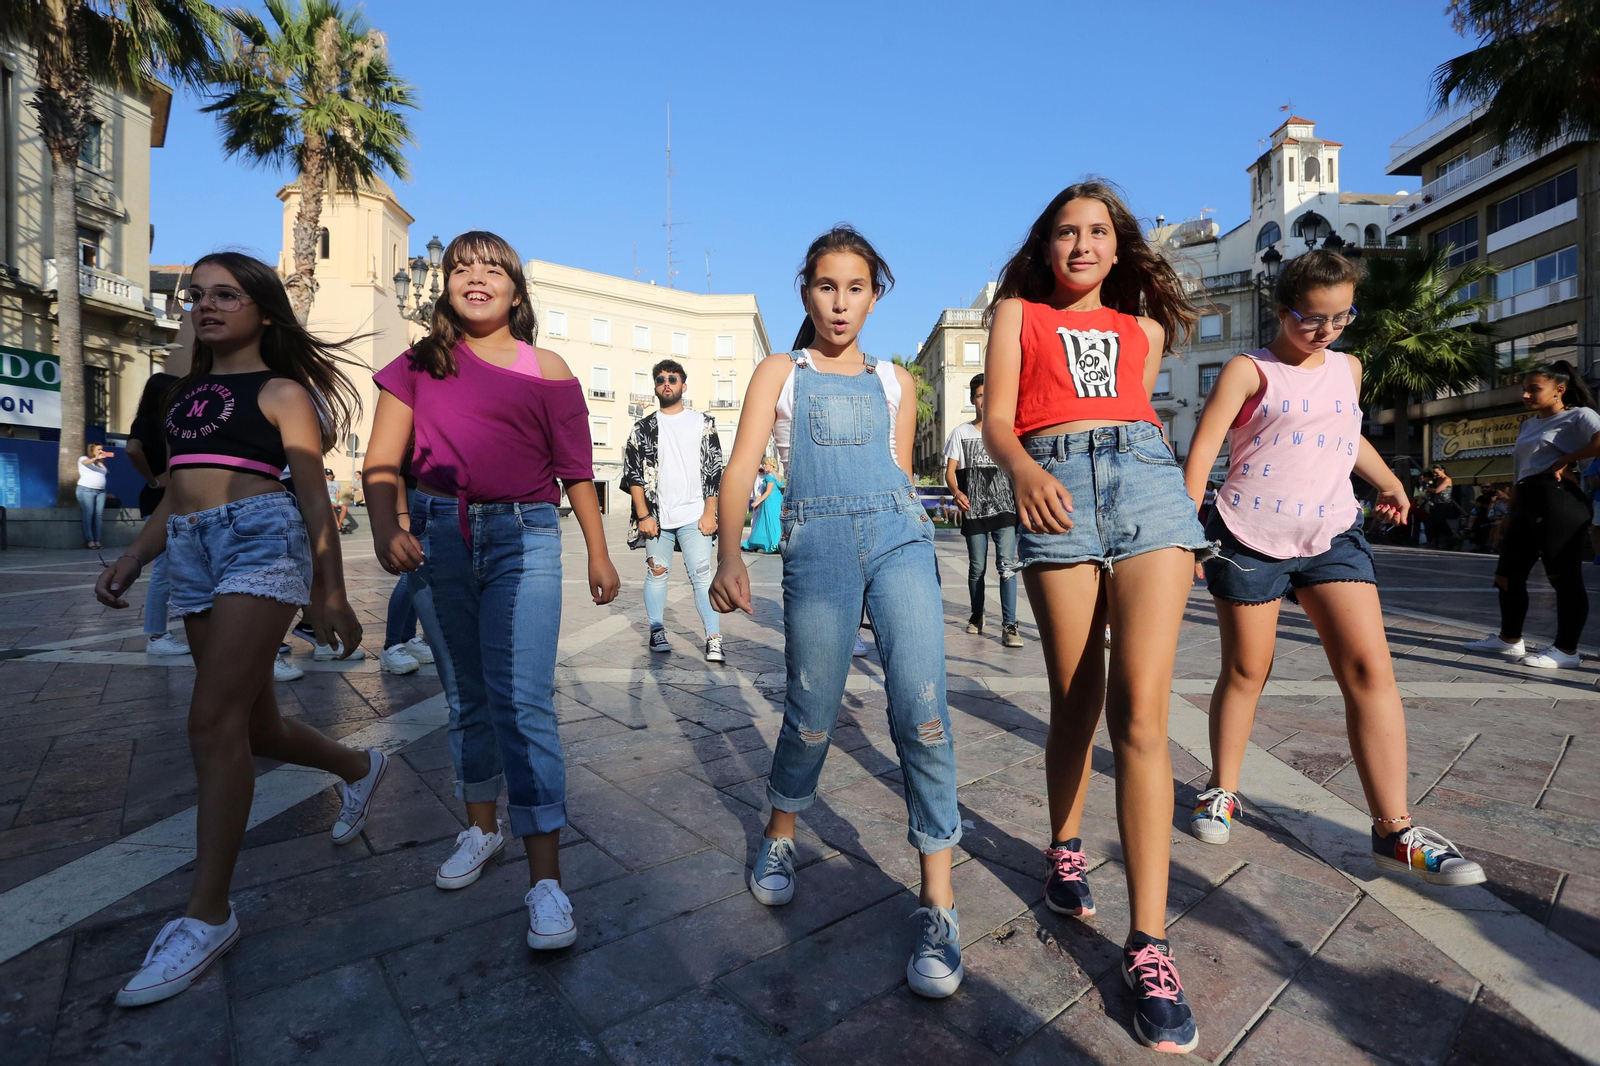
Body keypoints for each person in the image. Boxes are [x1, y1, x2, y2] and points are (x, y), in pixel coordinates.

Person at [94, 252, 381, 1007]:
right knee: (254, 727)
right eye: (197, 296)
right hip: (189, 547)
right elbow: (175, 493)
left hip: (260, 538)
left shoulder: (285, 391)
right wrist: (131, 559)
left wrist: (332, 591)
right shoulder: (187, 396)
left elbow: (315, 498)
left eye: (225, 295)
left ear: (262, 309)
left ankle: (209, 914)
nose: (206, 306)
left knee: (210, 719)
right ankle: (359, 767)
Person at [981, 181, 1212, 1054]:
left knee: (1143, 715)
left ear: (1120, 248)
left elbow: (1137, 416)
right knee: (1076, 696)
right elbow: (997, 418)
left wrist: (1182, 513)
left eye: (1098, 232)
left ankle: (1149, 943)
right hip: (1055, 486)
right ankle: (1066, 845)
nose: (1082, 244)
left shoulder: (1143, 332)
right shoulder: (1016, 315)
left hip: (1148, 485)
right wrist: (1022, 470)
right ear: (1047, 246)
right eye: (1067, 232)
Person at [710, 226, 965, 1000]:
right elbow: (739, 472)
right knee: (811, 712)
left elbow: (894, 471)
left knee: (922, 712)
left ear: (875, 294)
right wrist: (727, 557)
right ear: (806, 292)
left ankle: (940, 905)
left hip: (899, 540)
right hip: (816, 549)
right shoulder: (779, 374)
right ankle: (781, 834)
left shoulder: (896, 381)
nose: (840, 301)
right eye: (826, 286)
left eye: (855, 287)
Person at [1182, 248, 1485, 895]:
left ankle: (1394, 829)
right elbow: (1203, 450)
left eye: (1341, 316)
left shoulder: (1349, 367)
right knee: (1246, 670)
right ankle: (1221, 789)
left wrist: (1389, 483)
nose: (1326, 330)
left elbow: (1346, 436)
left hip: (1331, 532)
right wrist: (1184, 537)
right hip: (1249, 534)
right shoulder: (1247, 369)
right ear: (1283, 309)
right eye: (1311, 319)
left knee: (1370, 668)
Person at [364, 231, 619, 949]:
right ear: (445, 286)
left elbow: (576, 471)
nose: (475, 276)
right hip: (440, 536)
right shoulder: (418, 364)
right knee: (467, 699)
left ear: (515, 289)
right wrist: (389, 527)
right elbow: (381, 463)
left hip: (528, 536)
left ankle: (547, 883)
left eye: (492, 267)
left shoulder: (550, 368)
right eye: (459, 267)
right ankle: (481, 829)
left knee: (525, 704)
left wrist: (599, 552)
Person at [1465, 361, 1600, 669]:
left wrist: (1567, 459)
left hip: (1558, 499)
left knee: (1563, 577)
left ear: (1559, 391)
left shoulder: (1579, 415)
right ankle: (1509, 640)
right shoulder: (1528, 424)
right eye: (1524, 390)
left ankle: (1567, 650)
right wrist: (1508, 513)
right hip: (1526, 498)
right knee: (1507, 574)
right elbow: (1519, 472)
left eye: (1534, 389)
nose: (1525, 395)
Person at [620, 358, 726, 662]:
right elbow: (633, 475)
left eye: (673, 378)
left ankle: (713, 637)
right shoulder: (642, 428)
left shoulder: (703, 423)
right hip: (657, 516)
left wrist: (710, 512)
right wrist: (643, 515)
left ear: (683, 385)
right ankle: (656, 630)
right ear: (655, 387)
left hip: (695, 514)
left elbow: (714, 469)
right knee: (657, 574)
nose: (667, 383)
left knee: (703, 576)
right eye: (661, 379)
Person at [945, 372, 1023, 648]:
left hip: (1005, 508)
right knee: (977, 568)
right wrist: (956, 493)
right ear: (973, 400)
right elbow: (950, 472)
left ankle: (1010, 626)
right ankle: (977, 615)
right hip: (974, 510)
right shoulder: (961, 433)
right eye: (980, 396)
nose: (984, 401)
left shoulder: (1009, 433)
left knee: (1007, 567)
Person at [126, 372, 189, 656]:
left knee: (170, 569)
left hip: (166, 497)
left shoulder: (167, 423)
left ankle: (160, 634)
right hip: (158, 498)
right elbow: (132, 449)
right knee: (164, 571)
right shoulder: (149, 422)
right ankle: (156, 636)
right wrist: (153, 479)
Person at [741, 458, 784, 553]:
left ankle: (773, 544)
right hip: (777, 499)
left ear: (772, 465)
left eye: (766, 464)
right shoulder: (778, 475)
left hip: (770, 501)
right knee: (775, 522)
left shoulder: (769, 476)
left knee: (769, 522)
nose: (764, 466)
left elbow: (768, 492)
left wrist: (757, 502)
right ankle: (774, 543)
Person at [76, 442, 110, 549]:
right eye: (98, 449)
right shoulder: (83, 458)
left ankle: (97, 540)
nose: (101, 451)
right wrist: (95, 458)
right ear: (93, 450)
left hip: (101, 492)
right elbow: (85, 463)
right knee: (88, 514)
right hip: (86, 490)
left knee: (99, 515)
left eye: (102, 449)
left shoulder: (101, 463)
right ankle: (90, 540)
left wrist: (99, 459)